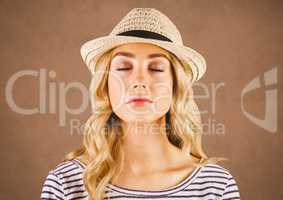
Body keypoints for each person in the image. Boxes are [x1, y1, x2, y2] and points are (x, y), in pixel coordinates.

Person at [40, 8, 241, 200]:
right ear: (105, 85)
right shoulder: (66, 183)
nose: (139, 80)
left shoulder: (216, 186)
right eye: (124, 67)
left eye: (156, 68)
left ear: (175, 87)